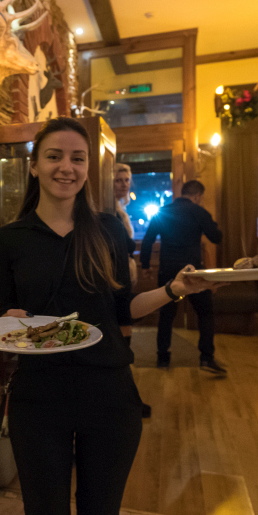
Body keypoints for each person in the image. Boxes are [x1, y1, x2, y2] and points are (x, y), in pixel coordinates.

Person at [0, 119, 223, 515]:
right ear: (34, 166)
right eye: (54, 156)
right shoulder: (10, 239)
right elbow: (7, 315)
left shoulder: (109, 230)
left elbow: (122, 309)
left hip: (108, 394)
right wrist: (11, 321)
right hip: (39, 397)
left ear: (87, 169)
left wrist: (175, 289)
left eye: (77, 158)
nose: (67, 167)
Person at [140, 180, 225, 373]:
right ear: (198, 196)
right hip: (192, 271)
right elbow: (216, 237)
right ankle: (206, 358)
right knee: (205, 313)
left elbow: (148, 240)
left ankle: (163, 358)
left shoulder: (163, 211)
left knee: (166, 314)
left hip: (168, 269)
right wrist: (210, 222)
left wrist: (145, 265)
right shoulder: (199, 211)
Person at [113, 163, 152, 419]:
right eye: (118, 180)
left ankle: (127, 399)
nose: (124, 184)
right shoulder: (109, 211)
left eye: (127, 179)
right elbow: (123, 245)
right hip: (115, 280)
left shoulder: (120, 208)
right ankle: (126, 402)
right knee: (121, 344)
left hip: (123, 275)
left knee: (124, 344)